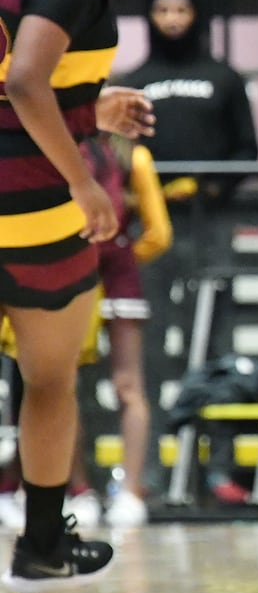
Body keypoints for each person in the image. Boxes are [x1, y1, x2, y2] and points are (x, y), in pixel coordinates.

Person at [0, 0, 154, 592]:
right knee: (49, 379)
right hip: (31, 216)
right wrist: (86, 178)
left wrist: (92, 109)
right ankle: (43, 544)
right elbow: (24, 84)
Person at [116, 0, 258, 409]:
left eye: (181, 10)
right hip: (151, 231)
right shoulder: (134, 81)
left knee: (216, 337)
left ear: (197, 16)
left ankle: (216, 465)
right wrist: (139, 197)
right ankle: (153, 462)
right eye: (162, 10)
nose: (172, 20)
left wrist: (210, 188)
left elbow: (247, 149)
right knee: (151, 338)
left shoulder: (224, 79)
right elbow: (117, 154)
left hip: (209, 228)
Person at [84, 132, 171, 527]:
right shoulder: (127, 155)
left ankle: (107, 489)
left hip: (86, 268)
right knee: (116, 386)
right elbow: (158, 234)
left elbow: (158, 232)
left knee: (113, 386)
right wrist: (125, 254)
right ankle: (96, 489)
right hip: (101, 269)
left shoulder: (129, 156)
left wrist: (123, 256)